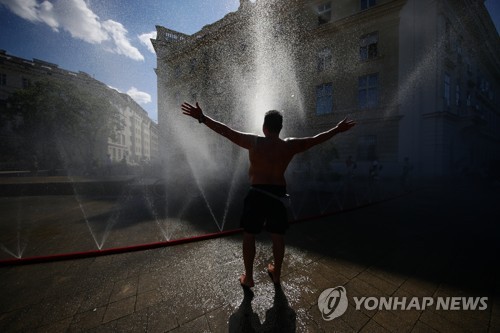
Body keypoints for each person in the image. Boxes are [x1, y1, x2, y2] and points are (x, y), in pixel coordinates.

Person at [181, 102, 355, 287]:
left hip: (256, 193)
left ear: (264, 127)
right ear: (280, 128)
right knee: (277, 236)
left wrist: (202, 117)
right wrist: (337, 129)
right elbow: (315, 139)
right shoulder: (289, 146)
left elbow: (226, 131)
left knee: (249, 235)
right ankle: (277, 275)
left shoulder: (254, 142)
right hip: (278, 195)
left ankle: (248, 278)